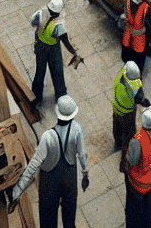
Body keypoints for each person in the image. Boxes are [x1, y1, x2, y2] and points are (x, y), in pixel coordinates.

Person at [10, 96, 89, 228]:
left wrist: (17, 191)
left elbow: (34, 164)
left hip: (50, 181)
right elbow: (82, 154)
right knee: (69, 221)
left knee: (48, 221)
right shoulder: (77, 129)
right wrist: (85, 173)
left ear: (57, 113)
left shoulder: (48, 137)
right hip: (69, 177)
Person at [29, 0, 83, 104]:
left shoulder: (40, 13)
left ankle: (36, 96)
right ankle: (60, 94)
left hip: (40, 45)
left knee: (40, 71)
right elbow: (65, 42)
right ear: (59, 11)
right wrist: (74, 52)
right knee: (57, 70)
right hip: (53, 48)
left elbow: (33, 24)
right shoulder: (59, 25)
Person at [124, 106, 151, 228]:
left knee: (134, 213)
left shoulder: (137, 140)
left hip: (138, 182)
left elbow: (132, 161)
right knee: (148, 211)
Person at [111, 61, 150, 155]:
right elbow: (140, 99)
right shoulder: (135, 86)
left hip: (116, 109)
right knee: (129, 132)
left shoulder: (122, 73)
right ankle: (126, 151)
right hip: (127, 114)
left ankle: (117, 145)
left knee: (117, 129)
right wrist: (146, 103)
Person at [121, 0, 150, 66]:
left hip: (130, 30)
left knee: (127, 46)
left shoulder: (129, 2)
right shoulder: (144, 7)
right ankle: (134, 65)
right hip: (137, 33)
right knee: (137, 52)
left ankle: (128, 62)